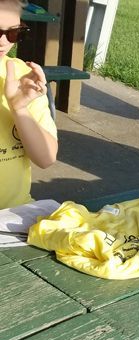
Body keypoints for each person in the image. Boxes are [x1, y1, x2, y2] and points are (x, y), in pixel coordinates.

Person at [0, 0, 58, 209]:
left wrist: (20, 109)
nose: (4, 42)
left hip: (13, 215)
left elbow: (46, 158)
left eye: (13, 33)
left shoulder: (23, 78)